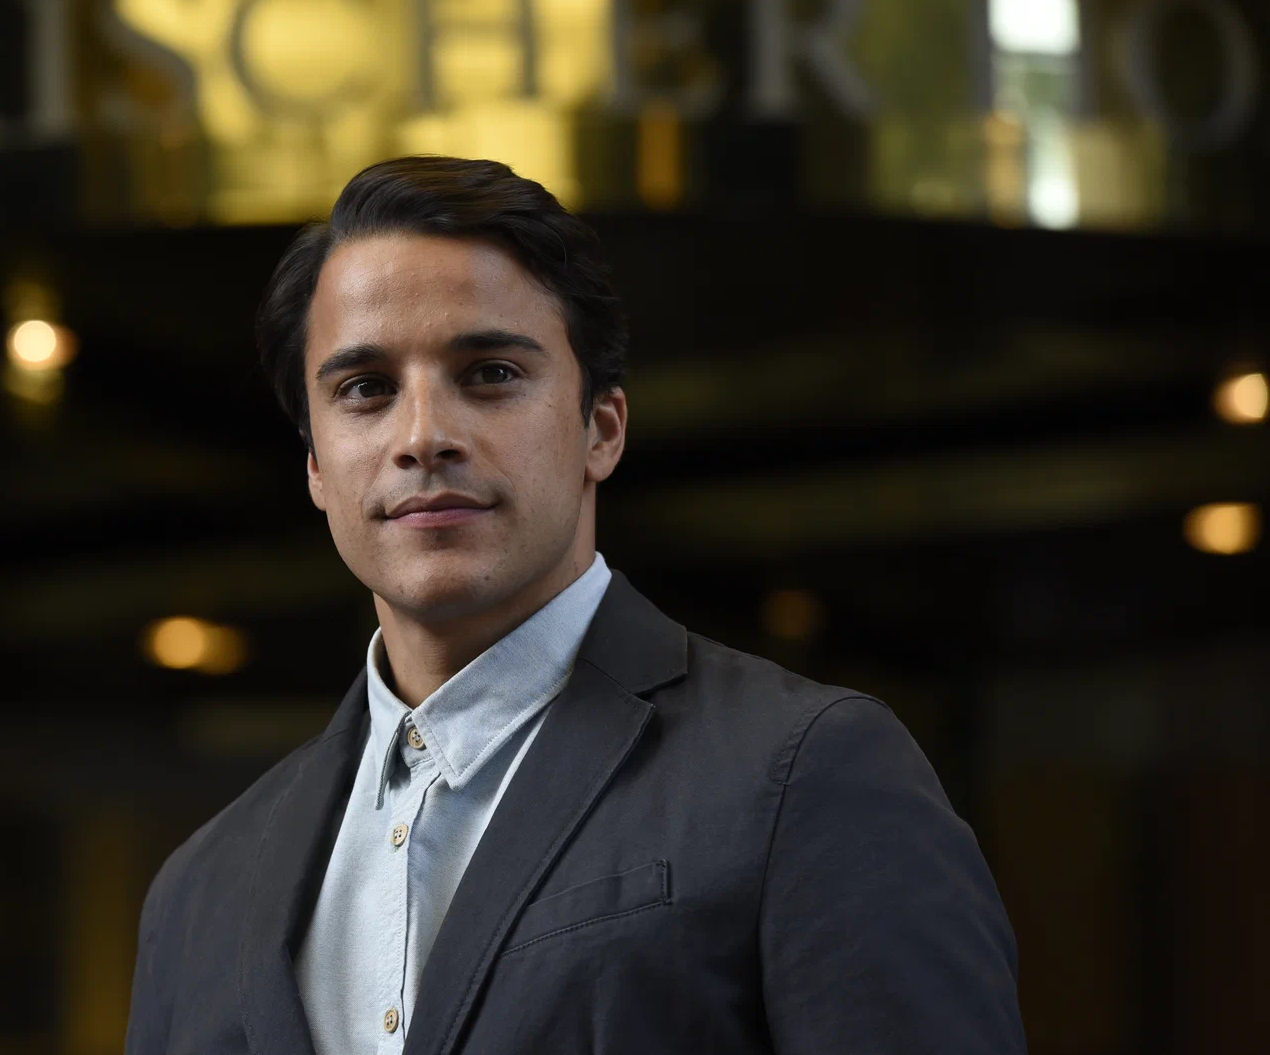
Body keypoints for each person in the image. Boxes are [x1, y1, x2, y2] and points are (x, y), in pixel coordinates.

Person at [124, 156, 1025, 1055]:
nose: (423, 436)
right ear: (317, 466)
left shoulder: (808, 773)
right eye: (366, 389)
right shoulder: (198, 891)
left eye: (489, 373)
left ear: (601, 429)